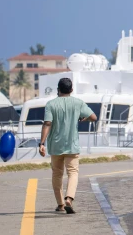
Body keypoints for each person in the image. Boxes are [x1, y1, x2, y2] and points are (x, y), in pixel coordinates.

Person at [39, 78, 97, 214]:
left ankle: (60, 204)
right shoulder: (78, 103)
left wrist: (41, 143)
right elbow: (94, 117)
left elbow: (47, 123)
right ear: (71, 90)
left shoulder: (51, 104)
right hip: (72, 145)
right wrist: (85, 118)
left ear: (58, 89)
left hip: (55, 146)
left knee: (57, 174)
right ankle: (69, 198)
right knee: (72, 172)